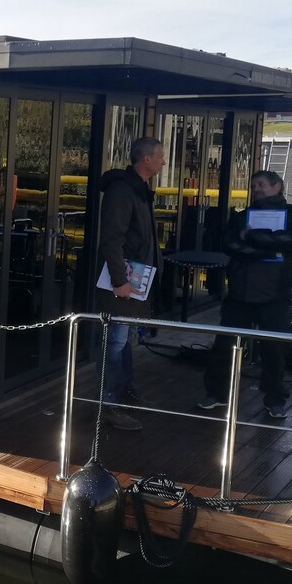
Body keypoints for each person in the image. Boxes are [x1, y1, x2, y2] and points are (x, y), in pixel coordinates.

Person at [199, 170, 292, 419]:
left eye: (262, 184)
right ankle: (216, 393)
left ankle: (275, 398)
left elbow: (291, 241)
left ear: (277, 186)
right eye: (254, 185)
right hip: (240, 292)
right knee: (224, 346)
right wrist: (264, 249)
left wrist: (254, 236)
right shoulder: (241, 216)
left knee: (274, 351)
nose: (256, 189)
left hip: (276, 295)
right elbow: (229, 243)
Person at [96, 136, 165, 431]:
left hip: (136, 279)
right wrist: (119, 281)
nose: (164, 161)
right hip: (123, 281)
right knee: (115, 342)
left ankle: (123, 393)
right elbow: (112, 238)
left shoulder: (138, 189)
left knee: (123, 342)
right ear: (146, 159)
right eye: (161, 156)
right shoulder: (123, 190)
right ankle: (109, 404)